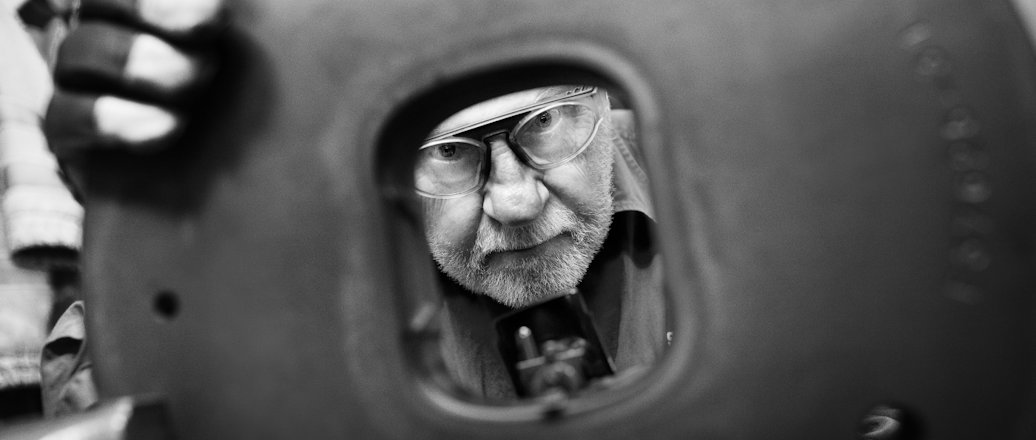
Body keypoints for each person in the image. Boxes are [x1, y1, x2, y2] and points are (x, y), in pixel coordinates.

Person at [41, 0, 667, 402]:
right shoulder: (314, 230)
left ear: (602, 95)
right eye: (449, 151)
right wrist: (156, 231)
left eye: (546, 121)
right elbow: (108, 384)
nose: (516, 200)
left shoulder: (708, 155)